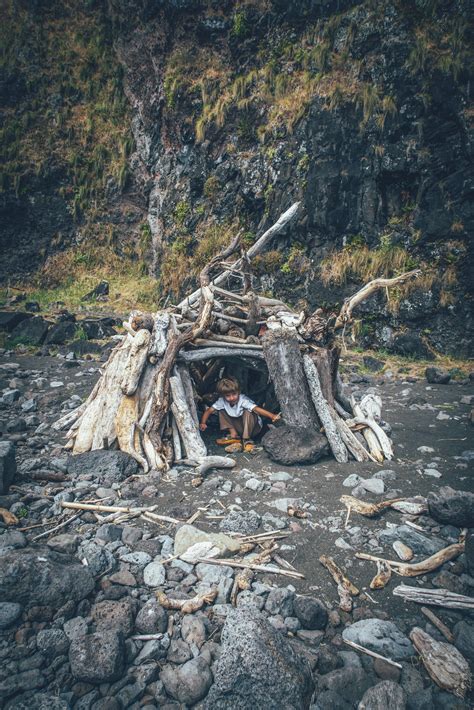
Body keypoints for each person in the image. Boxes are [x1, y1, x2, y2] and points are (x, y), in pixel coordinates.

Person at [199, 376, 280, 452]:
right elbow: (209, 411)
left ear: (238, 392)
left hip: (253, 428)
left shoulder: (243, 400)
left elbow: (257, 409)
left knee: (248, 411)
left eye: (234, 394)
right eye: (227, 396)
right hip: (239, 427)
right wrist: (203, 423)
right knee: (221, 411)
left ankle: (247, 440)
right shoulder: (222, 401)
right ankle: (233, 435)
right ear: (223, 396)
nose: (231, 398)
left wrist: (272, 416)